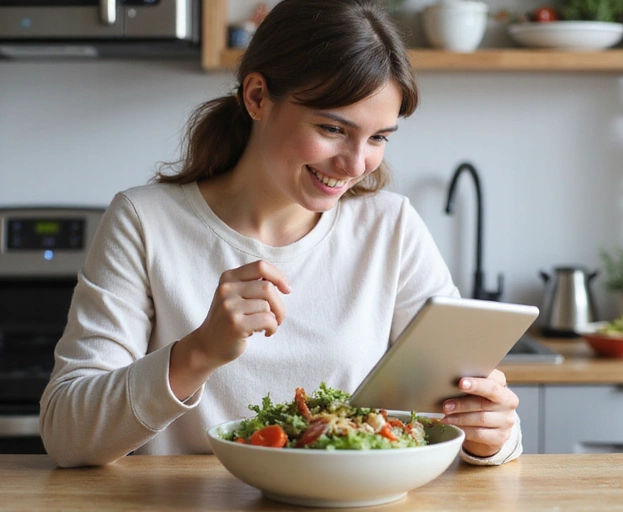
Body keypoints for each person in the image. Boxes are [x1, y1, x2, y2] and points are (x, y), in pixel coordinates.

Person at [39, 0, 523, 468]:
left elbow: (462, 407)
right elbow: (66, 435)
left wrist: (490, 436)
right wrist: (199, 351)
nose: (356, 164)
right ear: (256, 97)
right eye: (333, 128)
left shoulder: (390, 226)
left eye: (378, 138)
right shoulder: (145, 221)